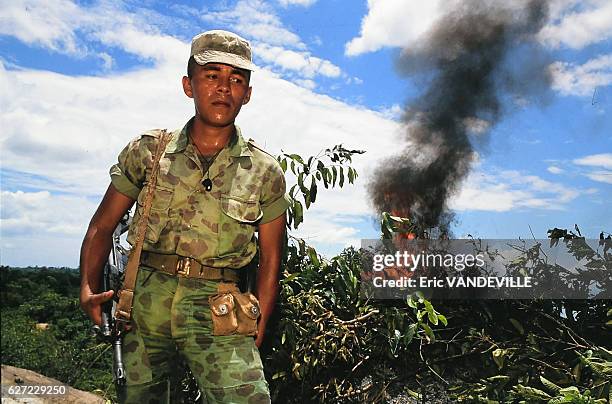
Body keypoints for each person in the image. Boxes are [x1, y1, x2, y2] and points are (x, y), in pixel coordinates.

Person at [79, 30, 289, 404]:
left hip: (219, 304)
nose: (224, 88)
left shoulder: (264, 171)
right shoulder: (147, 151)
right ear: (188, 85)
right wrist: (87, 287)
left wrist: (261, 318)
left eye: (236, 79)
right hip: (144, 298)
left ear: (248, 94)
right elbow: (102, 224)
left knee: (249, 398)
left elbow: (272, 256)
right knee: (141, 397)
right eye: (212, 75)